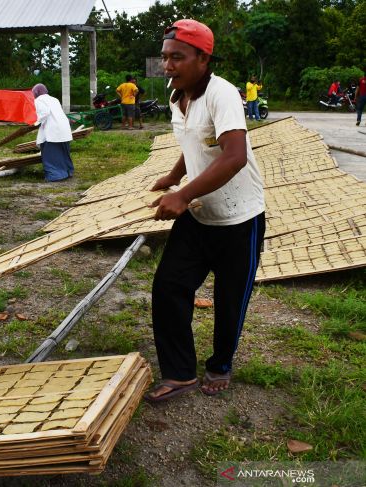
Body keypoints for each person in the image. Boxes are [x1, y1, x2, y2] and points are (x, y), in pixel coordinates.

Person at [144, 19, 266, 402]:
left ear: (203, 57)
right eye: (165, 57)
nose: (168, 65)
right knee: (169, 287)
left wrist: (181, 196)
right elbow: (192, 142)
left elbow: (234, 157)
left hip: (238, 217)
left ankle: (221, 365)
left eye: (177, 57)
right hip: (199, 214)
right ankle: (180, 373)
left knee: (230, 299)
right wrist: (172, 176)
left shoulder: (222, 93)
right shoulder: (176, 95)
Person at [31, 84, 74, 182]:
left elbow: (44, 113)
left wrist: (35, 123)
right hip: (64, 128)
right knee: (63, 151)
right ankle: (68, 172)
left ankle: (55, 175)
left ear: (36, 93)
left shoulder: (38, 100)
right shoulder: (54, 99)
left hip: (52, 129)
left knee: (51, 153)